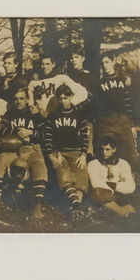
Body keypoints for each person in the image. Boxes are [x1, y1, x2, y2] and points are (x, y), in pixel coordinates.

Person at [0, 89, 49, 212]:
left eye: (22, 98)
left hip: (30, 148)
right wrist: (16, 133)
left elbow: (45, 135)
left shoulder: (34, 114)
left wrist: (31, 133)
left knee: (39, 165)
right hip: (12, 149)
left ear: (27, 100)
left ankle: (37, 205)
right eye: (16, 99)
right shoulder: (9, 114)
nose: (18, 101)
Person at [44, 85, 94, 213]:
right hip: (59, 152)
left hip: (76, 152)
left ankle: (75, 206)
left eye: (65, 98)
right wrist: (51, 156)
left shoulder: (78, 115)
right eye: (60, 99)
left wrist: (83, 155)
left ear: (71, 97)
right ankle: (77, 206)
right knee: (64, 175)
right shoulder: (53, 116)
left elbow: (85, 137)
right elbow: (48, 138)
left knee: (81, 177)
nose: (62, 101)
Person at [93, 54, 140, 161]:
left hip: (123, 121)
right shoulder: (99, 84)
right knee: (106, 154)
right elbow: (97, 108)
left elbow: (128, 103)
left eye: (107, 62)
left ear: (113, 61)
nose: (104, 65)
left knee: (130, 154)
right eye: (102, 63)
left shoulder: (123, 80)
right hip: (106, 122)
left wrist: (132, 125)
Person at [87, 136, 138, 217]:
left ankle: (115, 210)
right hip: (103, 195)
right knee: (97, 193)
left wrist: (114, 185)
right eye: (102, 149)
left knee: (134, 197)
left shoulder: (123, 164)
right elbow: (96, 184)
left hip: (120, 195)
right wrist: (117, 184)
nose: (104, 152)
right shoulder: (93, 164)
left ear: (114, 150)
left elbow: (131, 186)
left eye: (107, 149)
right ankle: (121, 212)